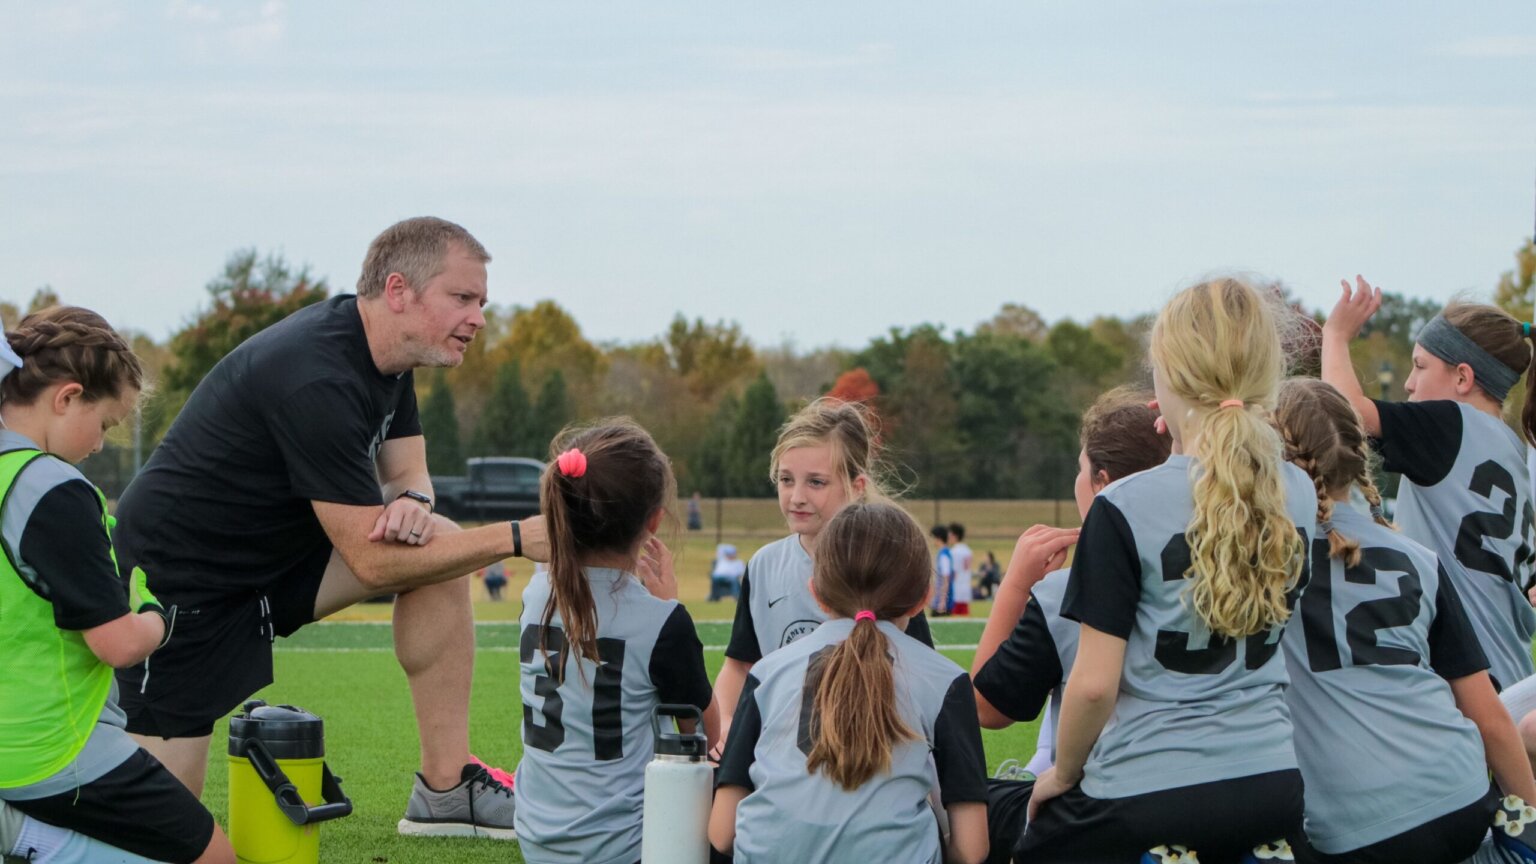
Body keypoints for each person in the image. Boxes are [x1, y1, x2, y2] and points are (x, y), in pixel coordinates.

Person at [111, 217, 549, 838]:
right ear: (399, 291)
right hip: (180, 594)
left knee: (441, 544)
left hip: (275, 568)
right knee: (153, 836)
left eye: (481, 301)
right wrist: (517, 538)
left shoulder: (389, 357)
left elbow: (408, 470)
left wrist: (417, 503)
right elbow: (372, 565)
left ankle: (446, 789)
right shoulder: (317, 374)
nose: (479, 316)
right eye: (463, 298)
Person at [1018, 277, 1314, 862]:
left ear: (1170, 377)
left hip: (1149, 789)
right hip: (1273, 781)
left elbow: (1096, 685)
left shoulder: (1122, 504)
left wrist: (1061, 773)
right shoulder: (1298, 490)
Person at [0, 308, 234, 864]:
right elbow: (120, 645)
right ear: (66, 397)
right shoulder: (53, 487)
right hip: (53, 751)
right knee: (216, 858)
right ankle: (30, 840)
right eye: (105, 423)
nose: (102, 445)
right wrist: (157, 611)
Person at [1273, 377, 1536, 863]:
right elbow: (1490, 717)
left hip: (1355, 826)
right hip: (1460, 795)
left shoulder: (1265, 567)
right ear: (1358, 451)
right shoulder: (1418, 557)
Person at [709, 502, 989, 864]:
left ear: (816, 593)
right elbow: (972, 848)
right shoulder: (945, 680)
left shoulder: (767, 673)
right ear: (922, 598)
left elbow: (721, 832)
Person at [972, 389, 1169, 863]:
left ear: (1100, 482)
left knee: (956, 805)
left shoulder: (1066, 591)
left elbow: (985, 708)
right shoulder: (1230, 573)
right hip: (1228, 783)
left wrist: (1016, 586)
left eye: (1080, 471)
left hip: (1106, 801)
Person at [514, 420, 716, 864]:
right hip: (625, 847)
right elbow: (706, 733)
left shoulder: (535, 594)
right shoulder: (661, 621)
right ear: (654, 520)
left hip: (536, 839)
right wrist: (670, 605)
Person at [1322, 280, 1536, 693]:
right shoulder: (1508, 447)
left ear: (1462, 378)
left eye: (1420, 366)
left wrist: (1336, 336)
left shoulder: (1450, 424)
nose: (1408, 382)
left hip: (1472, 683)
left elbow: (1345, 416)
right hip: (1510, 673)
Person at [713, 398, 934, 745]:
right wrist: (725, 724)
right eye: (786, 480)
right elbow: (739, 665)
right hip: (779, 755)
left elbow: (920, 672)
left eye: (815, 482)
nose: (796, 496)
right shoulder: (763, 565)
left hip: (866, 753)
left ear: (856, 486)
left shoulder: (887, 561)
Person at [948, 522, 974, 616]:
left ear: (954, 535)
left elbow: (953, 572)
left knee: (955, 617)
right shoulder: (968, 550)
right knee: (964, 617)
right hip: (966, 587)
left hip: (956, 588)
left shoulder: (954, 552)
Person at [931, 524, 955, 616]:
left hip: (942, 602)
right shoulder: (944, 553)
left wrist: (942, 601)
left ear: (938, 538)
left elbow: (946, 578)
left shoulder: (944, 555)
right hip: (940, 599)